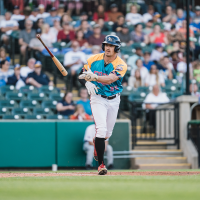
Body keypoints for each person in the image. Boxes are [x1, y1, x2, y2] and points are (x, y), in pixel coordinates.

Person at [78, 35, 127, 175]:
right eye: (106, 45)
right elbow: (82, 74)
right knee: (100, 129)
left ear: (117, 48)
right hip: (97, 97)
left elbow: (110, 79)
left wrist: (94, 77)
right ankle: (101, 165)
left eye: (111, 46)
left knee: (107, 134)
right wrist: (86, 82)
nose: (108, 48)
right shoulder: (93, 59)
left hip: (114, 99)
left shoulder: (121, 64)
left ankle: (97, 143)